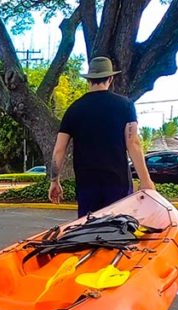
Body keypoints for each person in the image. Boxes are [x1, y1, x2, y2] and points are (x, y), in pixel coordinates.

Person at [49, 56, 155, 218]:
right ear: (110, 78)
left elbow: (59, 150)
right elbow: (133, 143)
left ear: (89, 80)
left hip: (86, 185)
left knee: (89, 233)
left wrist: (54, 181)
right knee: (117, 233)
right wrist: (145, 180)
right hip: (117, 183)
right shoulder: (125, 105)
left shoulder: (74, 109)